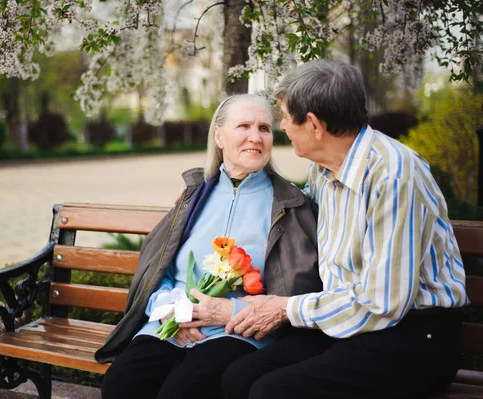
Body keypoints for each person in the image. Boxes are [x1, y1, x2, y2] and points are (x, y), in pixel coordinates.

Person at [215, 59, 469, 399]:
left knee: (272, 391)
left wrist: (285, 308)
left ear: (315, 125)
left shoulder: (393, 176)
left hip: (414, 336)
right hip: (347, 322)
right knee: (238, 376)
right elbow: (292, 212)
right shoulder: (325, 168)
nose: (283, 127)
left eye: (287, 117)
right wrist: (213, 193)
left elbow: (383, 303)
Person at [96, 94, 323, 399]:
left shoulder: (291, 204)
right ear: (219, 135)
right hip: (170, 327)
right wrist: (169, 310)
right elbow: (159, 268)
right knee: (122, 383)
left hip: (238, 334)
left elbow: (294, 292)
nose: (255, 137)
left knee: (184, 390)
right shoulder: (193, 197)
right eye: (243, 126)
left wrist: (229, 311)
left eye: (265, 129)